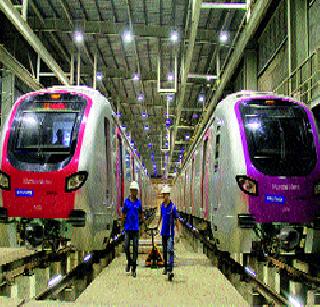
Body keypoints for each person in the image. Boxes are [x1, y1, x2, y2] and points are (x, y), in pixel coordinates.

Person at [121, 181, 143, 277]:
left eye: (135, 190)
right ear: (130, 191)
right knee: (126, 246)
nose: (134, 192)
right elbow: (123, 213)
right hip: (127, 228)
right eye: (133, 190)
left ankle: (133, 267)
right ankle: (129, 261)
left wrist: (144, 224)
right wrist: (122, 223)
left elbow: (141, 213)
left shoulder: (139, 202)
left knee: (135, 248)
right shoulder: (126, 202)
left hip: (136, 229)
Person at [157, 185, 179, 279]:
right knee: (165, 251)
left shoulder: (173, 207)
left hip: (170, 233)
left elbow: (177, 219)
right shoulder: (162, 205)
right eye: (162, 195)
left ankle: (170, 269)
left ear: (168, 195)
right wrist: (158, 225)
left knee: (170, 250)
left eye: (164, 195)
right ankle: (166, 267)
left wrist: (178, 232)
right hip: (163, 232)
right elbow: (161, 216)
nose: (163, 197)